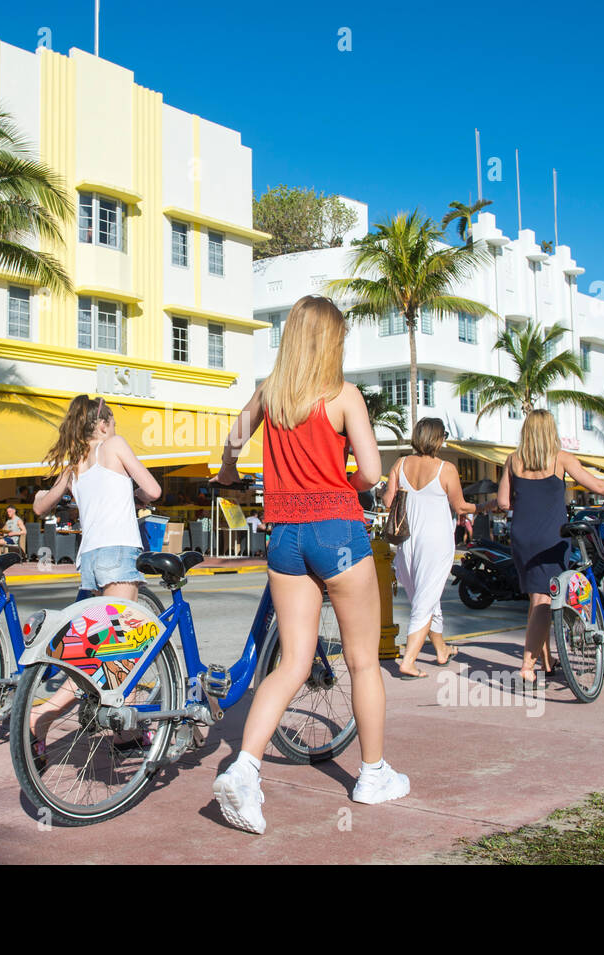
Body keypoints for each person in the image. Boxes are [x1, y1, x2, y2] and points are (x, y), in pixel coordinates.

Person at [212, 294, 406, 834]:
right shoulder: (344, 396)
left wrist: (229, 471)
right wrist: (344, 484)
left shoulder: (268, 395)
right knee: (363, 661)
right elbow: (369, 471)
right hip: (337, 531)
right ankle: (372, 774)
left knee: (293, 661)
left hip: (284, 537)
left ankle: (244, 768)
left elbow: (230, 441)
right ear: (332, 341)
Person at [27, 396, 162, 751]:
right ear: (102, 425)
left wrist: (68, 483)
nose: (115, 430)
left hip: (89, 560)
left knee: (102, 641)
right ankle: (43, 716)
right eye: (113, 423)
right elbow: (154, 490)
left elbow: (40, 506)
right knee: (117, 649)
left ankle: (124, 730)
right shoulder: (114, 445)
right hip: (119, 552)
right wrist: (138, 495)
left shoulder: (75, 463)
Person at [498, 410, 604, 683]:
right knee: (544, 599)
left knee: (538, 599)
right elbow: (598, 486)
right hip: (551, 536)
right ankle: (527, 665)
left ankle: (547, 662)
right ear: (550, 431)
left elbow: (502, 503)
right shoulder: (560, 459)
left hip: (521, 536)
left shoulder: (513, 461)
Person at [383, 417, 477, 679]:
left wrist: (387, 492)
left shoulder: (400, 463)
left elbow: (389, 500)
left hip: (407, 541)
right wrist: (483, 507)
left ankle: (441, 650)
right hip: (436, 542)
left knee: (425, 596)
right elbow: (459, 507)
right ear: (438, 438)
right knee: (425, 600)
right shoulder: (445, 468)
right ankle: (409, 661)